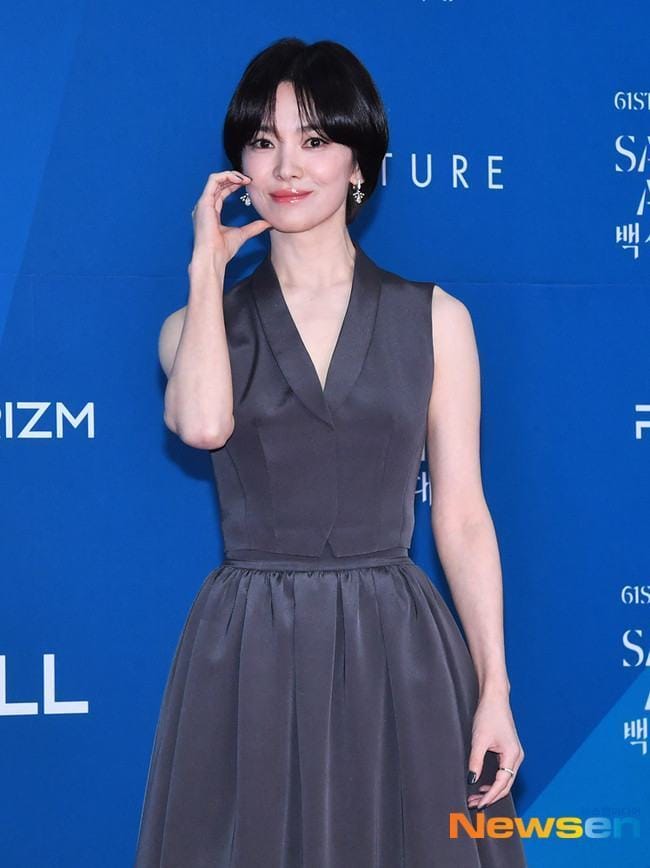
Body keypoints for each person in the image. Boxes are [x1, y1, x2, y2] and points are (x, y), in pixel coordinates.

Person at [134, 36, 527, 868]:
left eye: (314, 139)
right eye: (263, 140)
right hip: (251, 645)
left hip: (398, 644)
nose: (286, 165)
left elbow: (461, 513)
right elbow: (201, 426)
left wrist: (494, 686)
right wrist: (206, 269)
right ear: (238, 165)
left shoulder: (437, 320)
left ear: (359, 164)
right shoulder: (193, 329)